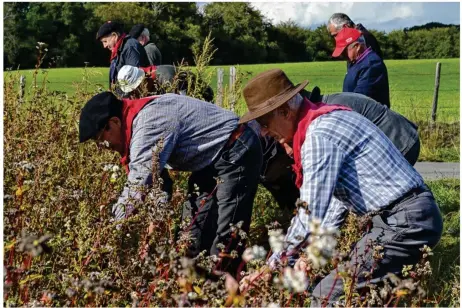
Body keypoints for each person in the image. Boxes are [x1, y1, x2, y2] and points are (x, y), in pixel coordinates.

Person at [238, 69, 442, 305]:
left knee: (326, 296)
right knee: (347, 289)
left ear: (284, 111)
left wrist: (268, 269)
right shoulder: (328, 120)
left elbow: (309, 215)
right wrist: (310, 254)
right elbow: (334, 205)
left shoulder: (319, 136)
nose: (264, 132)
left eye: (264, 122)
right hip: (404, 218)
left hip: (404, 222)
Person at [78, 91, 262, 273]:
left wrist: (108, 233)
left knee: (228, 236)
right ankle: (195, 288)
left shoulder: (148, 124)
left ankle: (228, 290)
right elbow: (159, 184)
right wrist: (153, 227)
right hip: (209, 160)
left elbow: (139, 183)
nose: (102, 147)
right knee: (190, 237)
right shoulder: (136, 125)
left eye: (101, 139)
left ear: (114, 122)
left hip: (236, 148)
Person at [260, 86, 420, 212]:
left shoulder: (329, 113)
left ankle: (399, 217)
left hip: (401, 139)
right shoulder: (322, 109)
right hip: (396, 133)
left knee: (385, 191)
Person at [333, 27, 390, 107]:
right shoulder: (356, 62)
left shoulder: (371, 64)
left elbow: (359, 100)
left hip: (370, 117)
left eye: (344, 51)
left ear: (357, 47)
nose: (342, 56)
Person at [96, 21, 149, 91]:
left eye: (105, 41)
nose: (104, 46)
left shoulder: (130, 47)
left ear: (114, 36)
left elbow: (133, 80)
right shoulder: (118, 50)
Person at [117, 64, 215, 102]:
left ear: (143, 80)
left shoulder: (167, 78)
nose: (135, 95)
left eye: (136, 90)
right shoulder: (147, 83)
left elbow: (182, 105)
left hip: (202, 99)